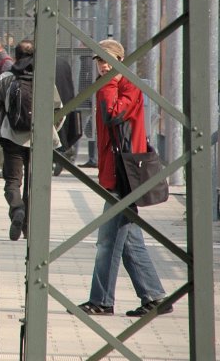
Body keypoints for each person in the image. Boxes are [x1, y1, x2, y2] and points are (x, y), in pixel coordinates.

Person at [77, 39, 172, 318]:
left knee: (107, 240)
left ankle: (101, 301)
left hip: (125, 175)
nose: (104, 65)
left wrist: (107, 82)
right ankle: (154, 296)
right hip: (115, 171)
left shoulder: (128, 86)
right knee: (129, 240)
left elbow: (113, 114)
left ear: (121, 60)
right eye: (100, 61)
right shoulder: (110, 86)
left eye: (110, 60)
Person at [0, 39, 61, 240]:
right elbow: (58, 108)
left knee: (12, 181)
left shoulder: (6, 78)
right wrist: (51, 131)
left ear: (15, 56)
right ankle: (29, 227)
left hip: (11, 137)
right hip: (39, 139)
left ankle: (17, 209)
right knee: (34, 183)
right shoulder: (44, 79)